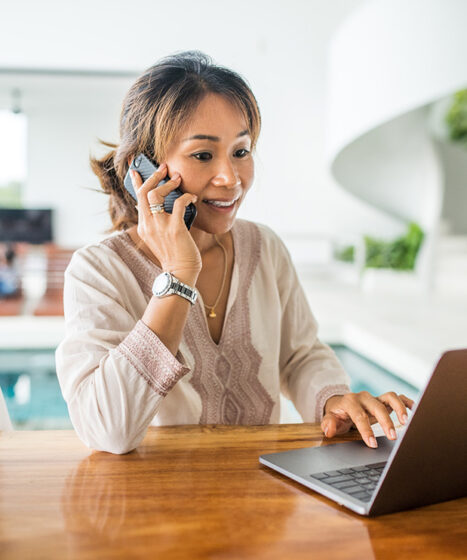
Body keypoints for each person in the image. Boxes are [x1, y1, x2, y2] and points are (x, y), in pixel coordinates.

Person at [55, 51, 413, 455]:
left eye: (241, 152)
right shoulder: (97, 271)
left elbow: (299, 355)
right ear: (145, 168)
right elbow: (108, 431)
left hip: (265, 496)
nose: (231, 178)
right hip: (155, 505)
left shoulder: (264, 248)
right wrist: (178, 274)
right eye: (203, 155)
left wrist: (332, 399)